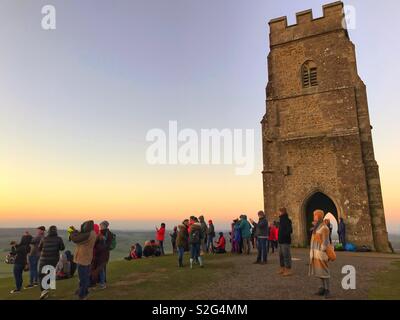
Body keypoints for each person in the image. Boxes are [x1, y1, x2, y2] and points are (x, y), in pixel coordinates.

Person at [70, 220, 97, 300]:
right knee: (84, 277)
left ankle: (82, 295)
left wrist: (71, 232)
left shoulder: (89, 234)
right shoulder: (92, 233)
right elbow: (80, 236)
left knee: (83, 278)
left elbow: (76, 239)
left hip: (83, 259)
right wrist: (75, 231)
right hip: (86, 258)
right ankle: (83, 291)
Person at [309, 210, 332, 299]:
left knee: (324, 272)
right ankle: (322, 288)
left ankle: (327, 290)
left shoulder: (324, 227)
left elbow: (326, 242)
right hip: (315, 252)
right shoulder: (317, 227)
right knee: (319, 272)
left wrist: (322, 250)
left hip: (321, 253)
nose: (314, 217)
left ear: (319, 216)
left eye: (315, 215)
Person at [38, 226, 65, 300]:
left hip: (43, 259)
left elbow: (39, 248)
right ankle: (46, 291)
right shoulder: (59, 239)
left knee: (42, 275)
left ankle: (43, 291)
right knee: (50, 274)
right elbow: (62, 248)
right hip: (53, 260)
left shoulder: (44, 238)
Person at [278, 208, 293, 276]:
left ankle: (288, 269)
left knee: (286, 255)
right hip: (280, 241)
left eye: (279, 212)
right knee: (281, 255)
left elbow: (289, 230)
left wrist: (284, 235)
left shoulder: (287, 220)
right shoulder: (281, 220)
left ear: (282, 212)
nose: (278, 213)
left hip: (285, 241)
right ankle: (282, 268)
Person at [99, 221, 113, 285]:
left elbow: (107, 244)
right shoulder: (105, 233)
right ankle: (102, 281)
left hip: (103, 253)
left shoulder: (107, 234)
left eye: (101, 225)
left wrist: (100, 247)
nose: (100, 226)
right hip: (103, 253)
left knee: (101, 267)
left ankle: (102, 282)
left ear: (104, 226)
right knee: (102, 267)